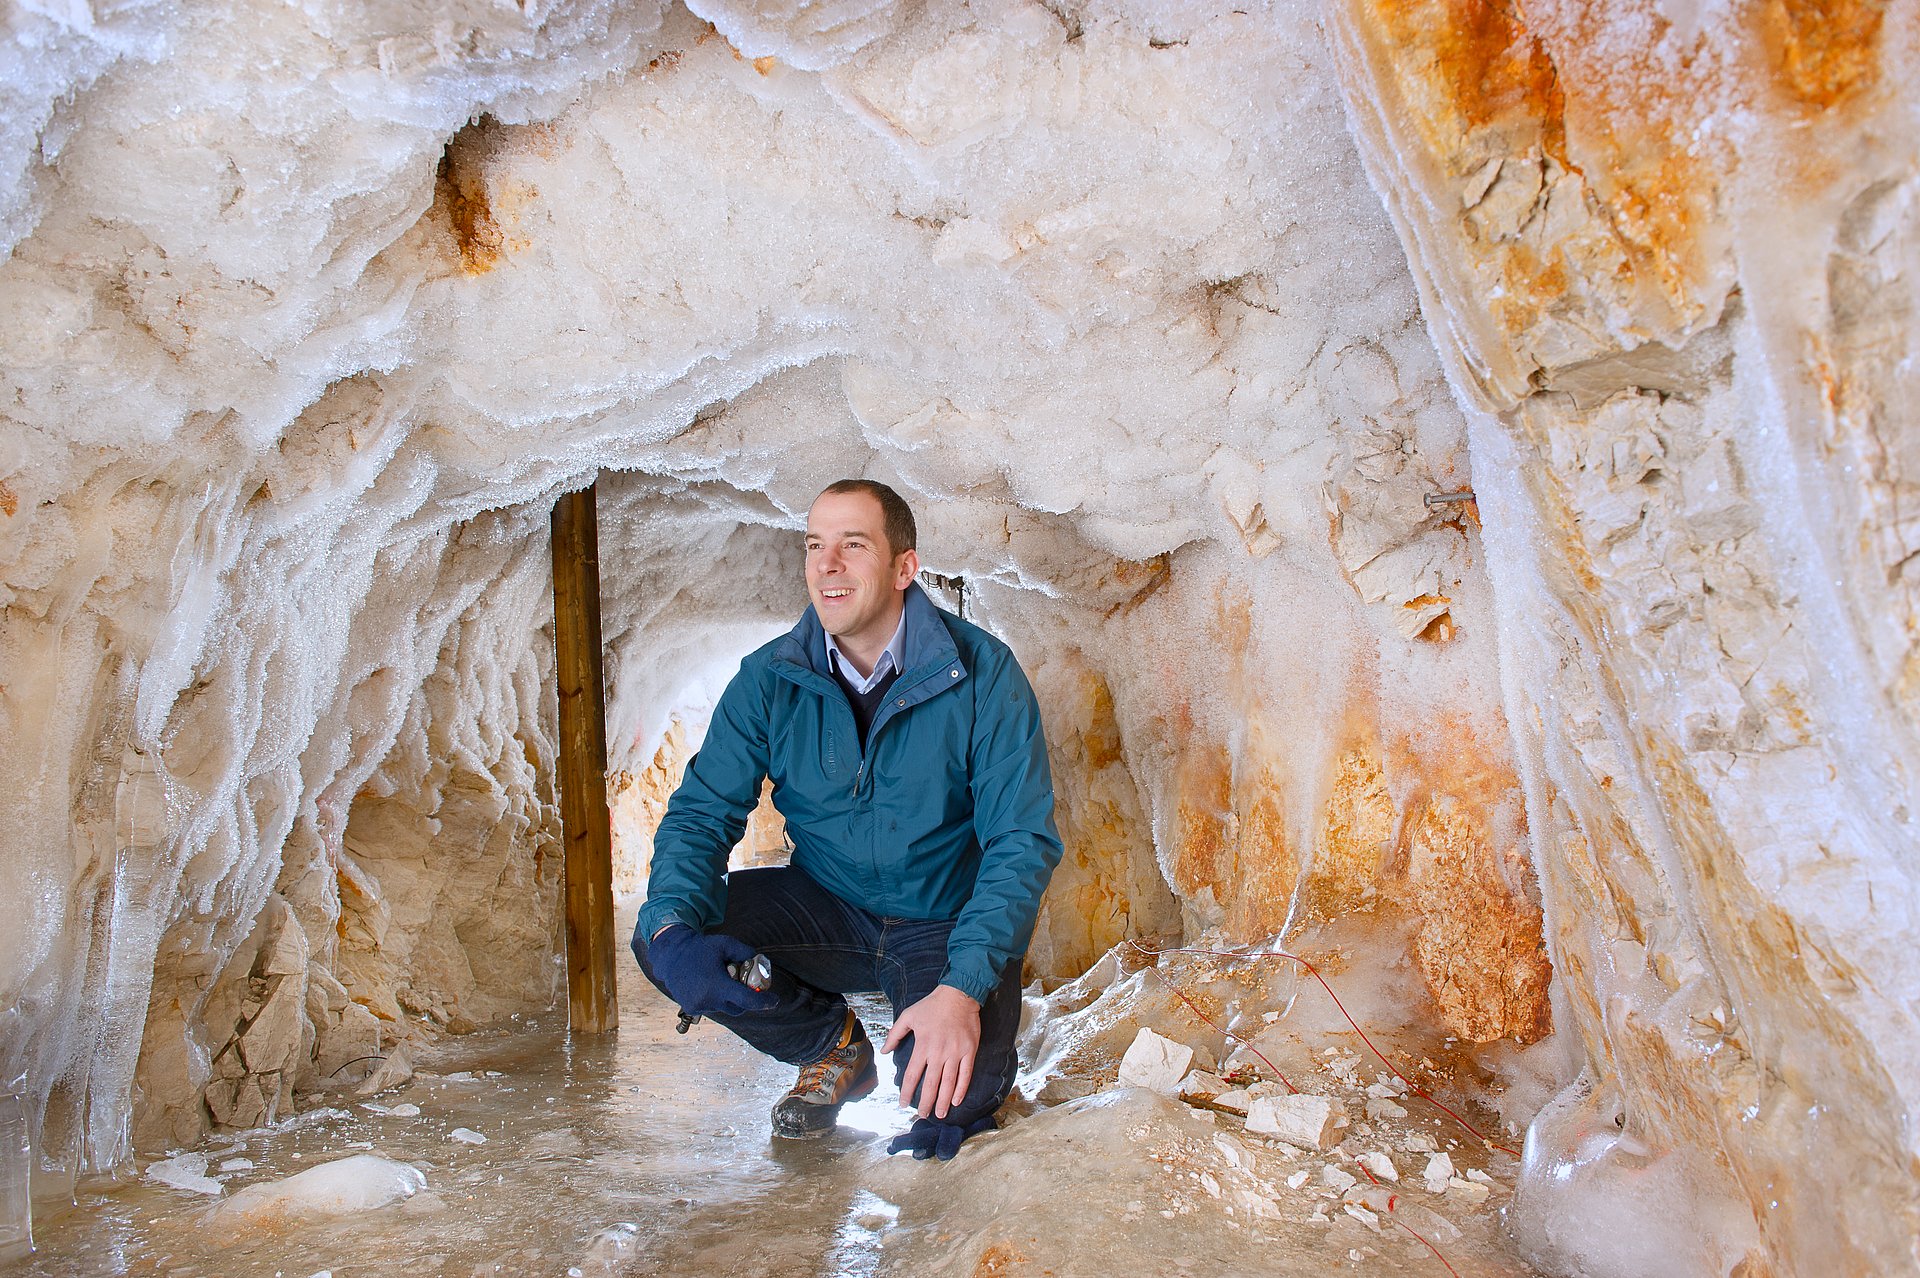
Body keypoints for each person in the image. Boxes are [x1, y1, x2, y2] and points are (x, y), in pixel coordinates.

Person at [632, 479, 1064, 1161]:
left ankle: (956, 1036)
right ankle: (830, 1046)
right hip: (828, 908)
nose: (826, 565)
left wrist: (963, 987)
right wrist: (672, 926)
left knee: (950, 1102)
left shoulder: (982, 672)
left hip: (941, 924)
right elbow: (701, 813)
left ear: (903, 567)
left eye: (852, 545)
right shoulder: (770, 678)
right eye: (814, 545)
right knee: (671, 935)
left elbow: (1021, 842)